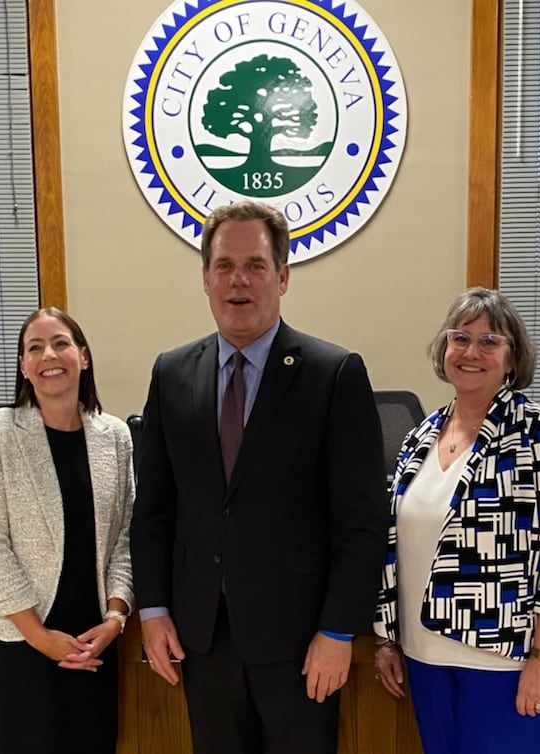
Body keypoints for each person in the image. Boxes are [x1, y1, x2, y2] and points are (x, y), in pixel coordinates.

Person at [130, 200, 389, 754]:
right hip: (202, 637)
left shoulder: (334, 373)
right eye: (224, 265)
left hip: (301, 641)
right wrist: (152, 610)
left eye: (255, 265)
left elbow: (361, 522)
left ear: (283, 276)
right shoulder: (171, 373)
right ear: (204, 278)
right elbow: (153, 508)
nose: (238, 280)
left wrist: (339, 630)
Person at [373, 286, 540, 754]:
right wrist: (387, 639)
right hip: (425, 654)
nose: (472, 352)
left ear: (512, 359)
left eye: (490, 341)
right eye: (461, 338)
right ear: (444, 349)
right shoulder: (421, 436)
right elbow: (395, 545)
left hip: (507, 661)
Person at [0, 307, 135, 754]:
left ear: (83, 356)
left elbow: (124, 540)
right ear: (23, 366)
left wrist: (115, 619)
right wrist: (40, 638)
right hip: (16, 645)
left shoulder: (115, 436)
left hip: (89, 645)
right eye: (34, 347)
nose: (49, 355)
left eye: (60, 343)